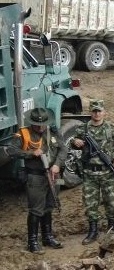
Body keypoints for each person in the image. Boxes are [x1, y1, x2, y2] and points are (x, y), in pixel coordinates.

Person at [7, 108, 65, 253]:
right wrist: (31, 153)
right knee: (36, 210)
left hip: (53, 175)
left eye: (43, 124)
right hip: (35, 177)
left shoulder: (53, 131)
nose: (40, 128)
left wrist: (57, 164)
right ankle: (32, 242)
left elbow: (63, 149)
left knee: (49, 206)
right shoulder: (23, 133)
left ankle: (48, 237)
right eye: (37, 125)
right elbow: (11, 150)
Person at [75, 100, 114, 244]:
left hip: (107, 172)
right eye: (94, 111)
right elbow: (72, 145)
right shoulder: (82, 129)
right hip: (89, 173)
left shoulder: (111, 129)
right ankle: (93, 231)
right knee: (90, 204)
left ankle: (112, 228)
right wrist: (76, 142)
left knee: (111, 202)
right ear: (90, 112)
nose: (97, 114)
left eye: (99, 111)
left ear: (104, 112)